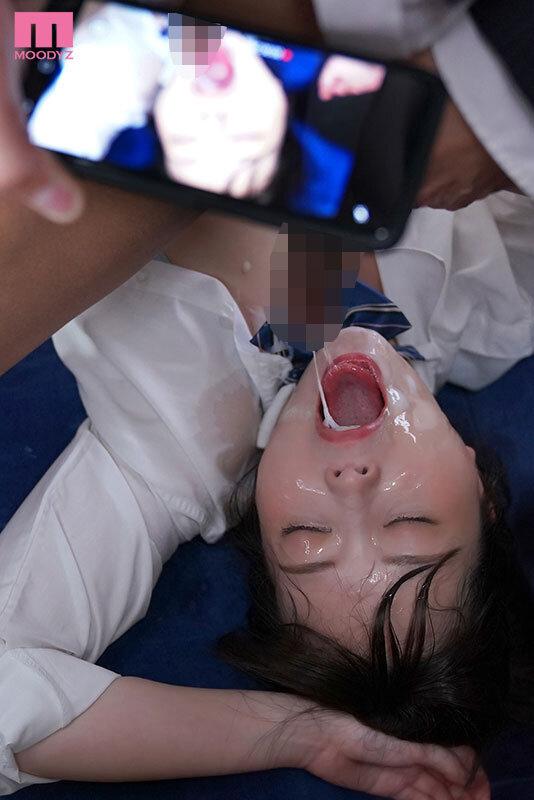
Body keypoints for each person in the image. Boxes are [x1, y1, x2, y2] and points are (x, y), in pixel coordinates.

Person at [6, 180, 534, 799]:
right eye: (408, 523)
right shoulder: (495, 295)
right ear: (481, 492)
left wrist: (301, 735)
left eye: (307, 535)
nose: (352, 486)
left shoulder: (178, 447)